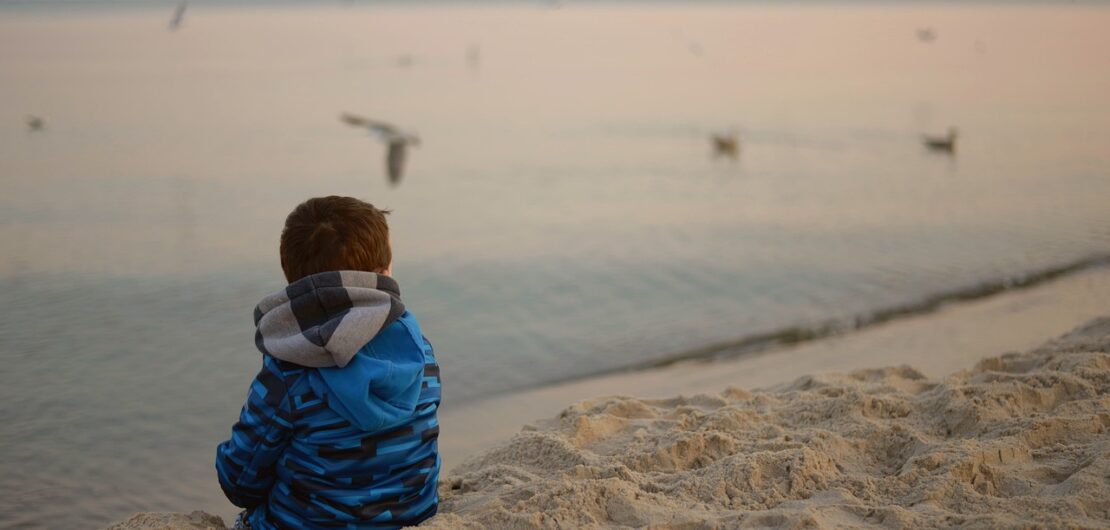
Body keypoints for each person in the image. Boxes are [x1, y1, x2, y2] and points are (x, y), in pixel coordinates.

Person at [216, 196, 441, 530]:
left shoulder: (288, 372)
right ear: (384, 273)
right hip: (415, 517)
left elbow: (239, 482)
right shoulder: (419, 350)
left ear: (293, 282)